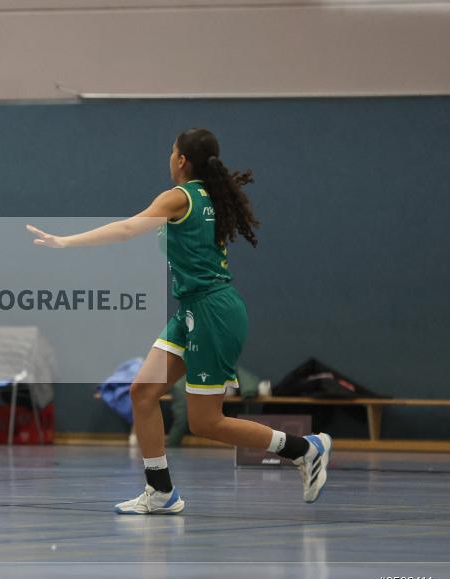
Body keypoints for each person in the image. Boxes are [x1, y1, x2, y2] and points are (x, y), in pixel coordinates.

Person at [27, 128, 332, 514]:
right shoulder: (212, 196)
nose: (169, 158)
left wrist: (66, 242)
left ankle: (305, 448)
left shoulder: (179, 197)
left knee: (206, 422)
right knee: (143, 392)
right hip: (193, 309)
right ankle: (161, 491)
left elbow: (126, 229)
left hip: (212, 312)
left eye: (172, 152)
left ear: (182, 160)